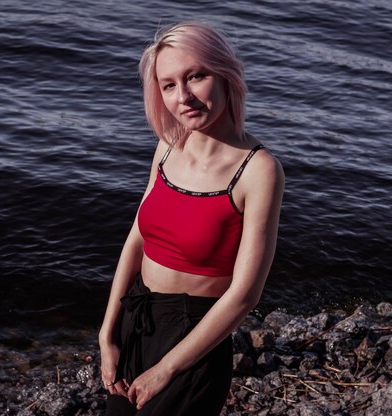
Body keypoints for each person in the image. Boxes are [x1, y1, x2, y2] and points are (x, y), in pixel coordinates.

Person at [98, 21, 284, 415]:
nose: (183, 97)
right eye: (168, 85)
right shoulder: (168, 145)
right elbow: (136, 239)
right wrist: (107, 334)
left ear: (225, 75)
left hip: (195, 339)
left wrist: (167, 369)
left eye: (196, 76)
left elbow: (244, 295)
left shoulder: (258, 170)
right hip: (137, 320)